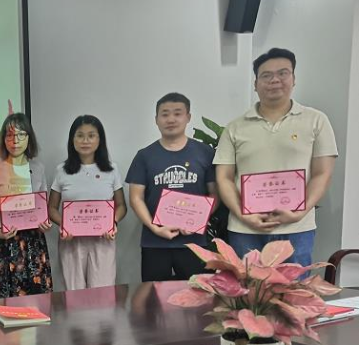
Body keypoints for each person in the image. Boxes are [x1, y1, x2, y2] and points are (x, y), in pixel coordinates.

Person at [214, 48, 338, 266]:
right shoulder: (235, 127)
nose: (275, 80)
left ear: (293, 79)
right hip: (245, 229)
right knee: (247, 287)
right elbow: (223, 177)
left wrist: (299, 212)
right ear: (255, 84)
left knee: (294, 287)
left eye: (283, 73)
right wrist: (243, 215)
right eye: (266, 75)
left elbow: (323, 173)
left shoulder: (316, 121)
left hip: (297, 228)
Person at [125, 93, 218, 281]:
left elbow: (215, 193)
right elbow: (136, 197)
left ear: (188, 117)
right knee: (153, 295)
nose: (171, 119)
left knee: (198, 294)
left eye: (177, 113)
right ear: (156, 119)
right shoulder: (144, 155)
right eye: (165, 114)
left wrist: (197, 220)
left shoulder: (205, 153)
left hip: (195, 242)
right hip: (155, 242)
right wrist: (154, 228)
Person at [0, 113, 53, 298]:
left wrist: (45, 224)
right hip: (5, 241)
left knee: (37, 299)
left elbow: (42, 207)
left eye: (21, 134)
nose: (15, 140)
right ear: (3, 139)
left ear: (29, 137)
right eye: (10, 135)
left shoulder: (38, 168)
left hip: (34, 243)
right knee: (5, 299)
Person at [48, 115, 127, 290]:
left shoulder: (111, 169)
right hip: (71, 242)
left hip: (103, 240)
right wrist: (64, 225)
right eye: (80, 135)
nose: (85, 141)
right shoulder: (62, 170)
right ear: (72, 139)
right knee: (74, 293)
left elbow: (121, 205)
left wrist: (112, 223)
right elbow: (51, 208)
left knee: (102, 293)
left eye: (91, 135)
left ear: (100, 139)